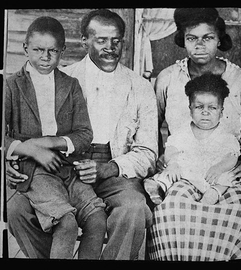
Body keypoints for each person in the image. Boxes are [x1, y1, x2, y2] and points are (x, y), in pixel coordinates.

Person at [6, 9, 158, 260]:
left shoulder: (139, 86)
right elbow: (22, 136)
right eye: (101, 40)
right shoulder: (64, 78)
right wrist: (12, 160)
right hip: (60, 169)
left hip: (115, 169)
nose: (110, 48)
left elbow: (149, 152)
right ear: (85, 41)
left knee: (133, 208)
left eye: (117, 40)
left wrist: (109, 167)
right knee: (16, 209)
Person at [146, 8, 241, 261]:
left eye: (207, 38)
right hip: (181, 169)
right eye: (191, 38)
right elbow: (153, 130)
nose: (199, 45)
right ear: (182, 40)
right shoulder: (168, 78)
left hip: (224, 171)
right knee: (169, 208)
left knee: (236, 210)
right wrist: (165, 158)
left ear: (219, 39)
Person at [5, 16, 107, 259]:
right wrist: (31, 150)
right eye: (39, 50)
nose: (45, 57)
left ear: (62, 51)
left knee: (97, 219)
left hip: (69, 168)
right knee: (66, 222)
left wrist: (49, 142)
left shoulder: (70, 85)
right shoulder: (11, 86)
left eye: (53, 51)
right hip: (35, 170)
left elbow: (84, 134)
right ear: (25, 48)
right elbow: (1, 138)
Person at [144, 73, 240, 205]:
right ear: (190, 110)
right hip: (188, 173)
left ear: (221, 111)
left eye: (212, 107)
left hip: (212, 173)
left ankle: (213, 194)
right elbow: (172, 149)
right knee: (173, 170)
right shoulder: (183, 132)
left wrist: (219, 168)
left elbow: (232, 157)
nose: (205, 112)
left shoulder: (226, 136)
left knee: (227, 177)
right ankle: (159, 185)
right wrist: (172, 163)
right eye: (199, 107)